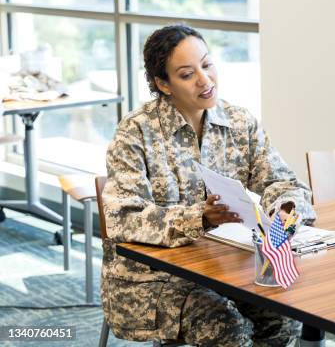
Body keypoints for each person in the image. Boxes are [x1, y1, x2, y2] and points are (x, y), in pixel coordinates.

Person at [101, 24, 316, 346]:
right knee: (226, 329)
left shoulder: (239, 122)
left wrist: (283, 212)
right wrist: (199, 217)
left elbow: (282, 182)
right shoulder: (136, 132)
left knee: (282, 316)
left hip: (226, 269)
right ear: (164, 84)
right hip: (152, 281)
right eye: (187, 74)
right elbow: (123, 217)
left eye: (207, 64)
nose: (205, 80)